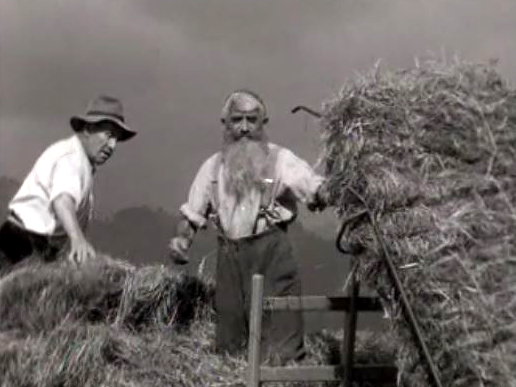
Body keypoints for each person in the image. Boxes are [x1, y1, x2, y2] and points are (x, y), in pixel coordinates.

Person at [168, 89, 327, 362]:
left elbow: (314, 188)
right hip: (230, 268)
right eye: (237, 120)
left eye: (251, 120)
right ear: (225, 123)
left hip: (273, 266)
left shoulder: (281, 161)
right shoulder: (212, 168)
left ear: (263, 123)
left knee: (280, 353)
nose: (244, 128)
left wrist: (332, 190)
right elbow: (191, 216)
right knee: (231, 352)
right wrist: (182, 241)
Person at [0, 95, 137, 273]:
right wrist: (77, 240)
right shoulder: (71, 158)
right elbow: (62, 200)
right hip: (19, 246)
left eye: (116, 139)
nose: (112, 146)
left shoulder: (83, 164)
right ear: (88, 129)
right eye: (108, 135)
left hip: (41, 250)